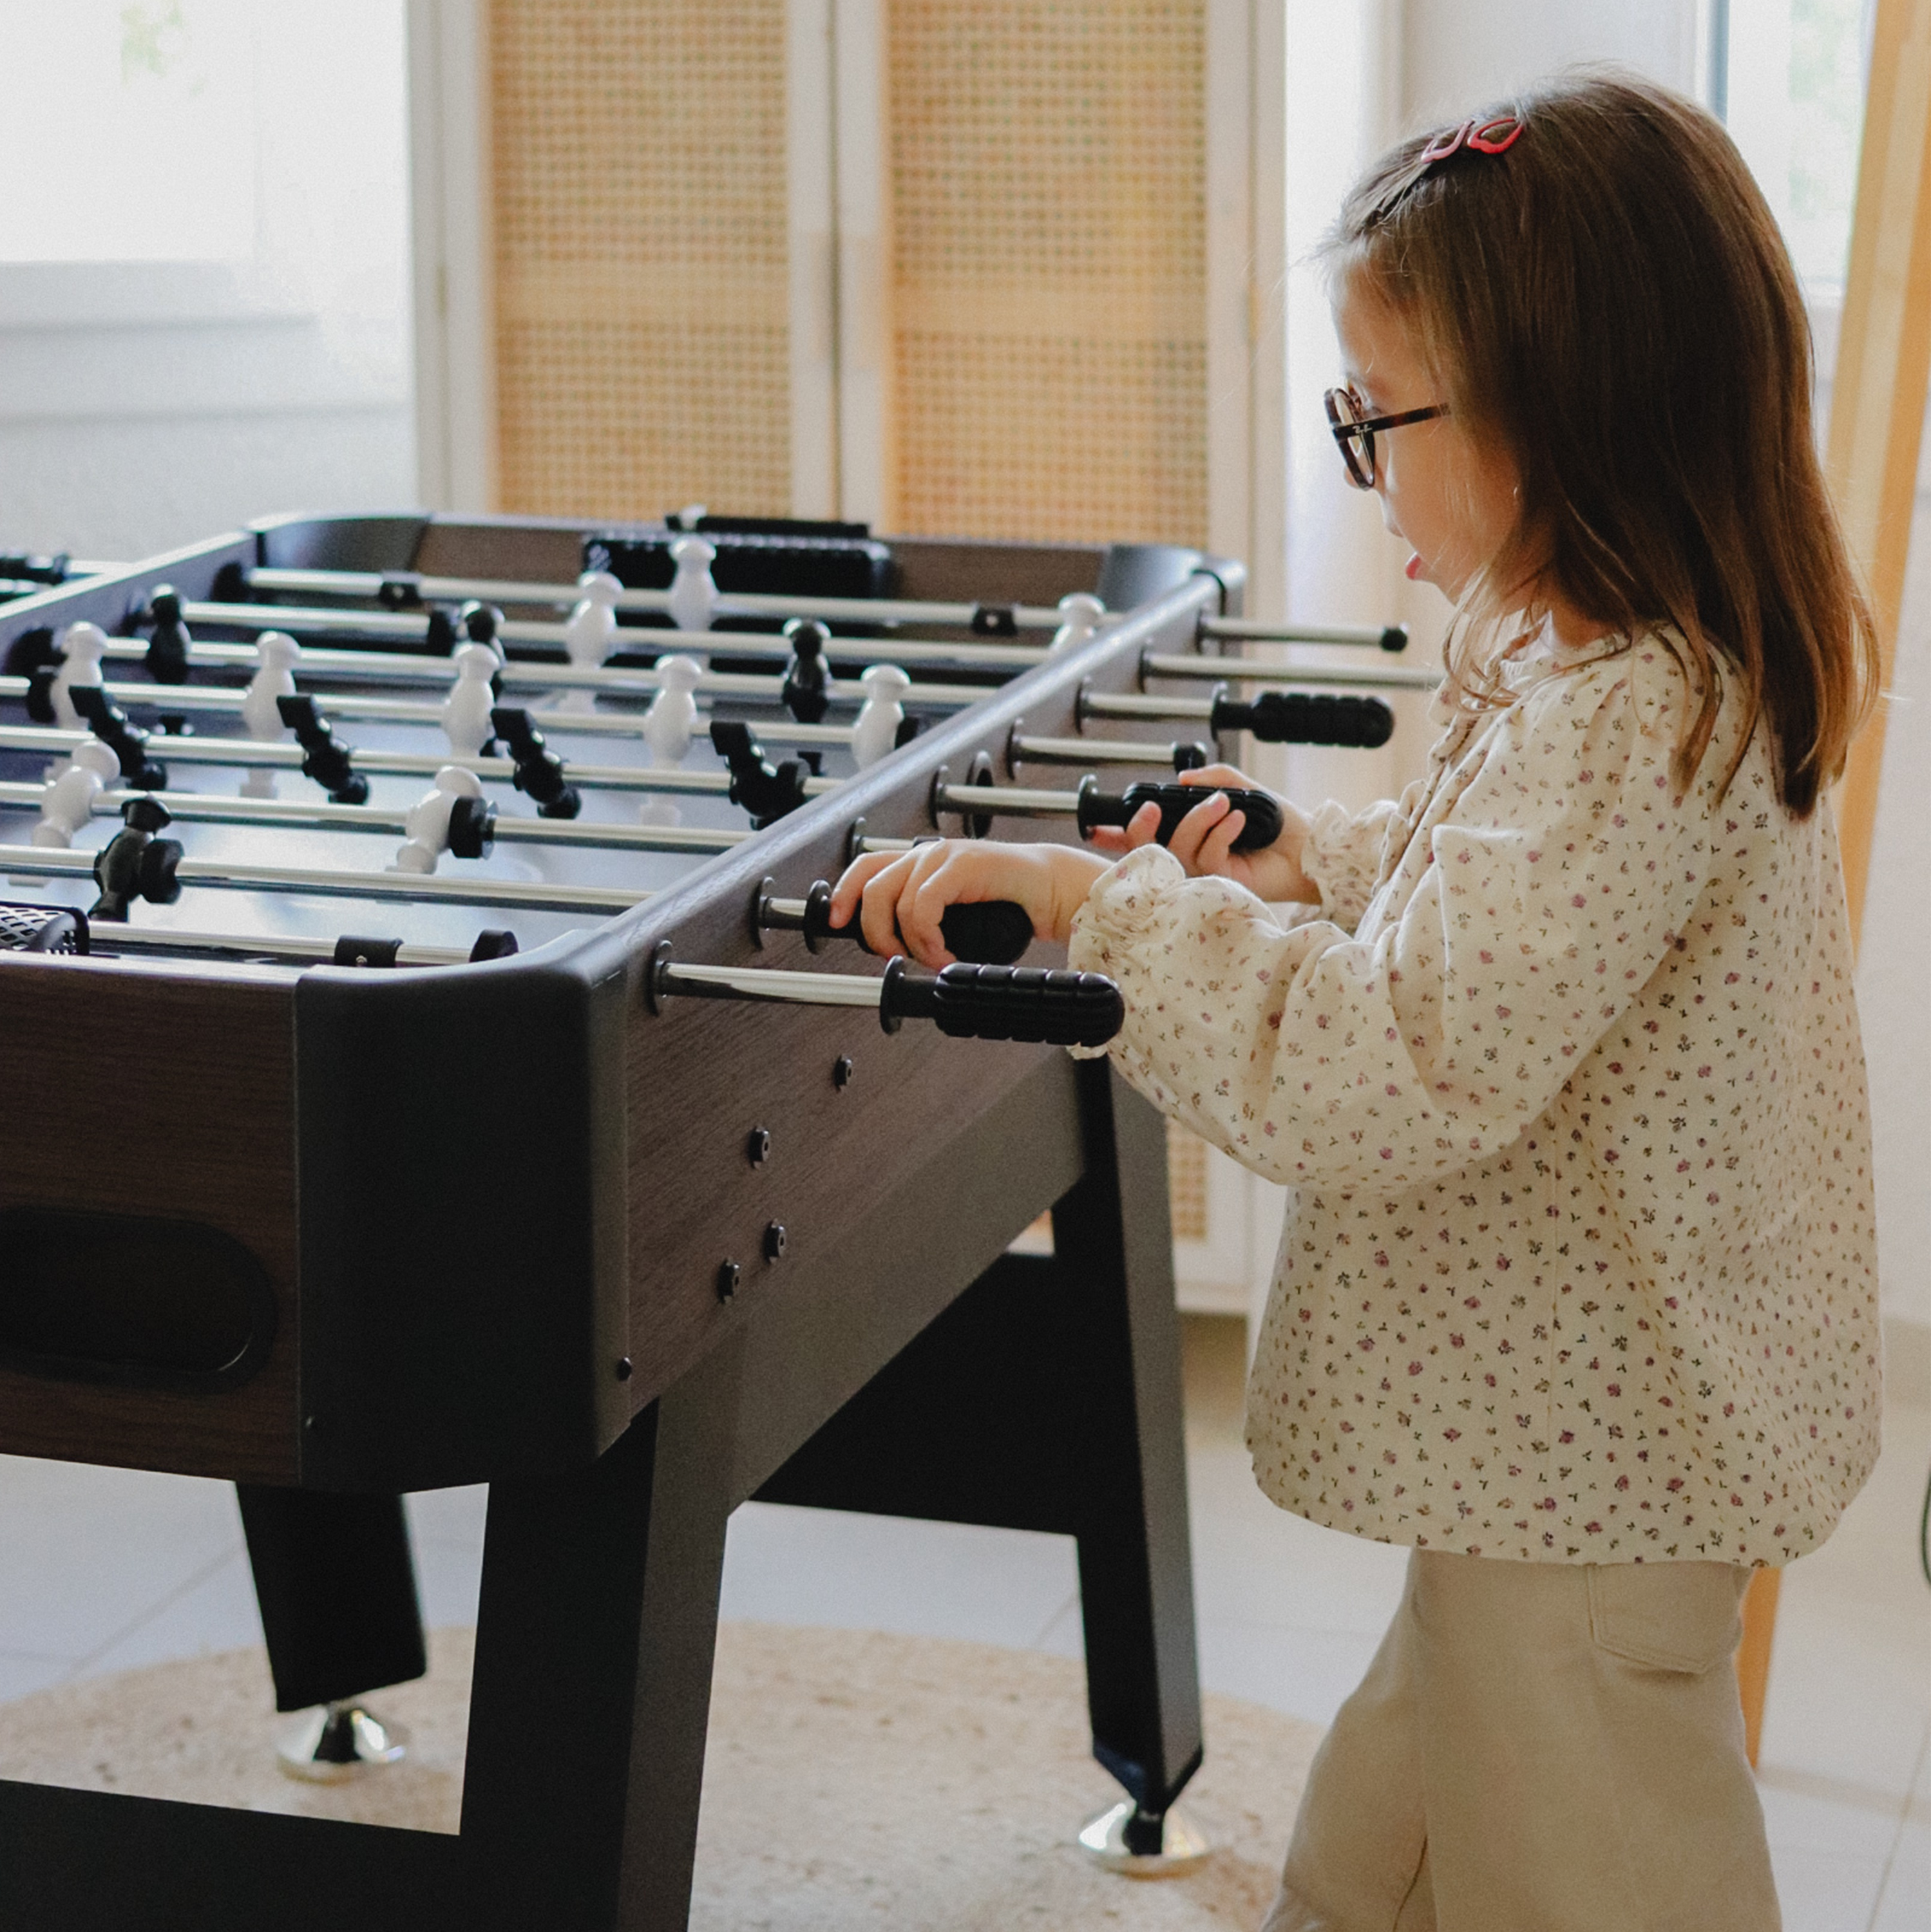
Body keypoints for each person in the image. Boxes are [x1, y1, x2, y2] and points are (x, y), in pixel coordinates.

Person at [832, 71, 1883, 1932]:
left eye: (1373, 416)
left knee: (1593, 1870)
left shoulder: (1634, 720)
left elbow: (1394, 1061)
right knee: (1372, 1859)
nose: (1365, 461)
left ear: (1564, 415)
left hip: (1589, 1505)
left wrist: (1109, 910)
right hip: (1556, 1479)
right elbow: (1498, 903)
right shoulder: (1623, 670)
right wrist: (1308, 859)